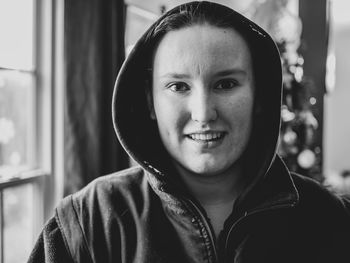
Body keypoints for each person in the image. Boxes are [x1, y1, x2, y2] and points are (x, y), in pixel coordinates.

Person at [28, 1, 350, 262]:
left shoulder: (328, 220)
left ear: (259, 99)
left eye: (226, 84)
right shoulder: (87, 225)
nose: (203, 113)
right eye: (178, 86)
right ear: (150, 103)